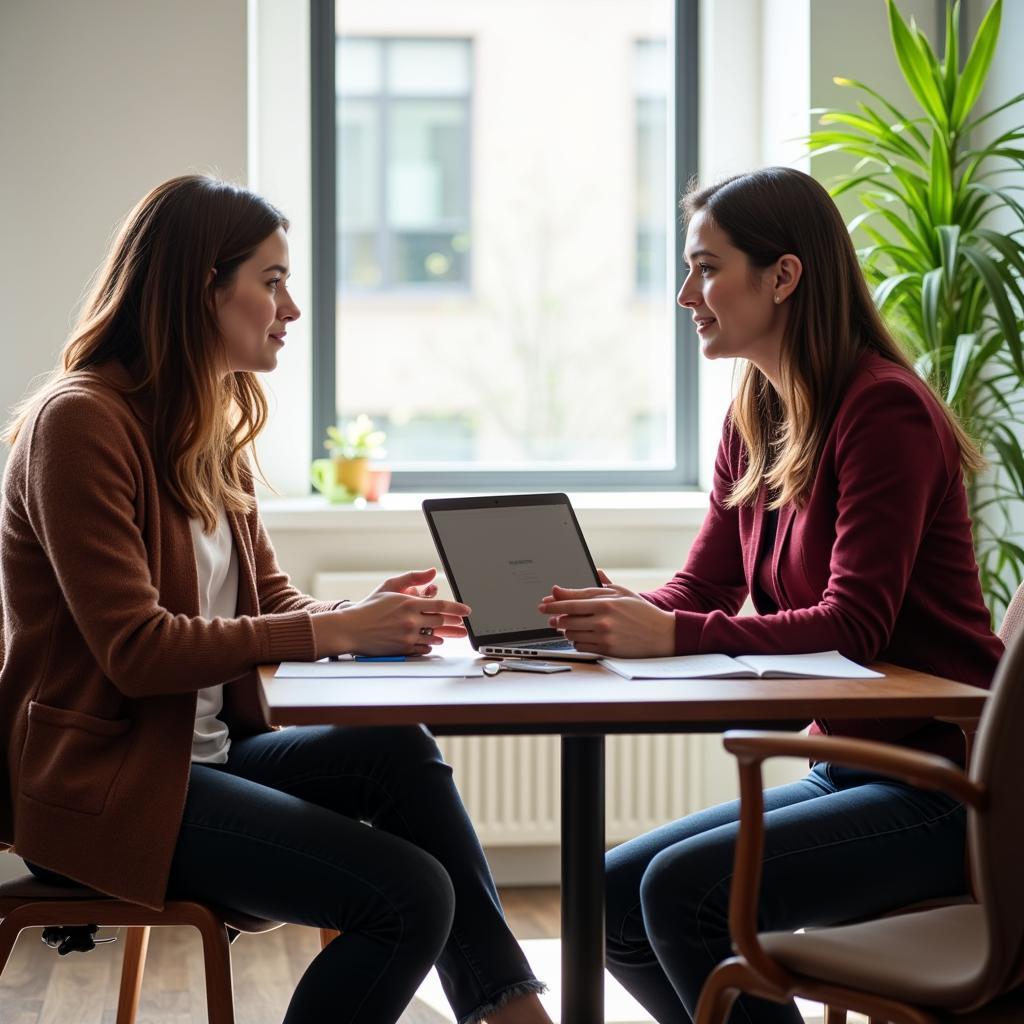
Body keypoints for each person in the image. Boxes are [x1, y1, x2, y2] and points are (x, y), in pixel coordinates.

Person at [0, 175, 551, 1024]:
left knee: (397, 751)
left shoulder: (203, 428)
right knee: (408, 898)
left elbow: (265, 601)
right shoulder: (78, 425)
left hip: (202, 761)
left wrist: (363, 619)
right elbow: (138, 650)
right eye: (271, 281)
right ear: (200, 290)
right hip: (109, 785)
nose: (290, 308)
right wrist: (330, 631)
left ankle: (511, 1011)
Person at [537, 166, 1004, 1023]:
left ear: (784, 276)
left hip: (953, 788)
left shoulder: (883, 411)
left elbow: (853, 625)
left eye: (707, 267)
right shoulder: (757, 410)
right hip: (856, 766)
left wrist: (670, 636)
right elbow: (702, 586)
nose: (687, 294)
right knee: (606, 894)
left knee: (683, 893)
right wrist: (615, 611)